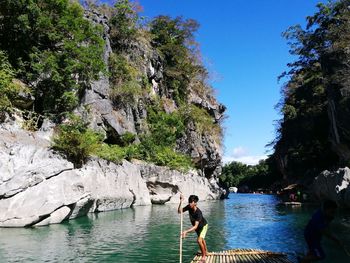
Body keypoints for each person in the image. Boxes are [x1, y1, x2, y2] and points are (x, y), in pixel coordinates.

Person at [178, 194, 208, 263]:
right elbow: (180, 211)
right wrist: (180, 201)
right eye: (189, 202)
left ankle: (203, 257)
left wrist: (186, 231)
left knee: (199, 240)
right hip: (197, 227)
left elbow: (195, 226)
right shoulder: (189, 207)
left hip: (203, 226)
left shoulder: (198, 213)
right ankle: (206, 252)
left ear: (195, 203)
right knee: (202, 239)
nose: (190, 203)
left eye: (191, 202)